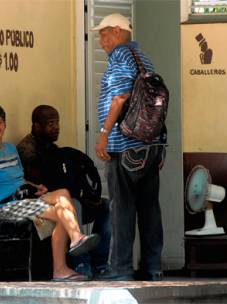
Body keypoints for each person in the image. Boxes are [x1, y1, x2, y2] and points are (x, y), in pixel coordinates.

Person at [0, 104, 100, 282]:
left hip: (26, 197)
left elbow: (19, 179)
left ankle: (74, 241)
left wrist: (37, 187)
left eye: (0, 122)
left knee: (63, 193)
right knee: (63, 214)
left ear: (5, 125)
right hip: (8, 206)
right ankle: (64, 261)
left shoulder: (10, 149)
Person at [91, 14, 167, 281]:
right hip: (150, 145)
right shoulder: (142, 58)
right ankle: (152, 267)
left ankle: (120, 269)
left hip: (125, 146)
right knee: (149, 209)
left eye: (103, 34)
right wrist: (161, 144)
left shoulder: (121, 57)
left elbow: (120, 98)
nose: (100, 41)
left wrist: (104, 134)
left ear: (117, 31)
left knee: (121, 208)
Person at [17, 105, 111, 278]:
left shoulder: (53, 148)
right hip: (39, 203)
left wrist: (88, 196)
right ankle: (81, 264)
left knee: (106, 207)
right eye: (51, 123)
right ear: (37, 126)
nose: (56, 127)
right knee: (74, 204)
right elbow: (41, 185)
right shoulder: (27, 150)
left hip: (61, 197)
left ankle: (100, 264)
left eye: (57, 122)